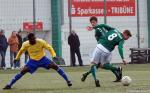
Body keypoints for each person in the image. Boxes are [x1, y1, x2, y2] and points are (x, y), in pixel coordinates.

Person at [3, 33, 72, 89]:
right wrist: (16, 58)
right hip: (32, 61)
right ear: (29, 40)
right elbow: (21, 51)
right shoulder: (26, 44)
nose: (33, 41)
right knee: (23, 71)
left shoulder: (41, 42)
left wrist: (53, 55)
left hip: (43, 59)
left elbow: (49, 48)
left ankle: (68, 80)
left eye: (34, 39)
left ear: (35, 38)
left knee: (55, 66)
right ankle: (9, 84)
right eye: (31, 40)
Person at [81, 17, 132, 87]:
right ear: (125, 34)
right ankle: (117, 69)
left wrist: (94, 27)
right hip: (107, 51)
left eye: (93, 22)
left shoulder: (114, 29)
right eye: (128, 37)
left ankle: (95, 79)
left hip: (100, 47)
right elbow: (120, 48)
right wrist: (123, 58)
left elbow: (104, 25)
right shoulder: (121, 39)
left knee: (94, 64)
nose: (127, 39)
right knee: (102, 65)